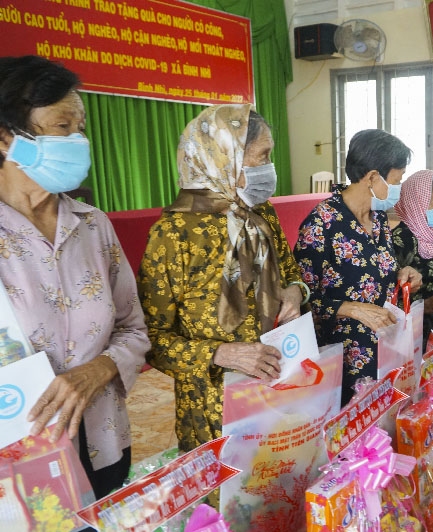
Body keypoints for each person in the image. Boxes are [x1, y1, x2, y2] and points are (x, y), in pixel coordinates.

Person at [0, 55, 149, 498]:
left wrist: (99, 369)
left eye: (79, 128)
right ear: (7, 138)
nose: (78, 140)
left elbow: (133, 327)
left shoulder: (93, 225)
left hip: (103, 440)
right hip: (19, 462)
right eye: (63, 127)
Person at [138, 104, 308, 460]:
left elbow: (293, 274)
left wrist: (294, 291)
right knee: (228, 504)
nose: (269, 168)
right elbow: (153, 341)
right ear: (224, 158)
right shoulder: (174, 234)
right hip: (214, 409)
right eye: (262, 156)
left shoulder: (263, 214)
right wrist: (221, 353)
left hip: (280, 385)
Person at [294, 129, 421, 406]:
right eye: (397, 180)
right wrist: (348, 308)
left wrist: (402, 274)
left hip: (385, 350)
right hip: (344, 363)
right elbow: (300, 300)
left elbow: (378, 273)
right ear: (373, 177)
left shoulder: (378, 219)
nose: (398, 189)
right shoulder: (322, 223)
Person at [393, 170, 433, 350]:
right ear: (416, 205)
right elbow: (389, 303)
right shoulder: (399, 241)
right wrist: (426, 307)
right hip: (411, 342)